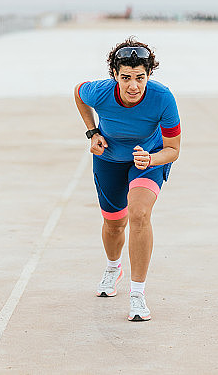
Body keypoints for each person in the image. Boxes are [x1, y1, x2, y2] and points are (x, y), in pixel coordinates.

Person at [73, 37, 181, 321]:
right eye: (126, 78)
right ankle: (112, 269)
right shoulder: (100, 92)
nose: (133, 85)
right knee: (114, 224)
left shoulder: (163, 97)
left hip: (148, 158)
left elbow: (173, 150)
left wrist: (151, 159)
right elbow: (78, 93)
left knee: (139, 214)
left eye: (140, 77)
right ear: (115, 75)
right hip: (109, 159)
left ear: (149, 74)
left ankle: (137, 294)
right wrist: (92, 132)